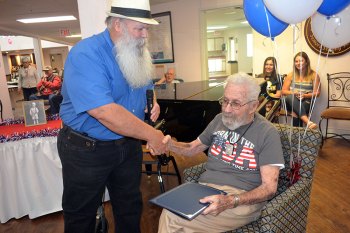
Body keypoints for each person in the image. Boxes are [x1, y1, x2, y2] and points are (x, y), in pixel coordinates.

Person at [57, 0, 166, 232]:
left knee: (130, 207)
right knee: (82, 215)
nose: (145, 34)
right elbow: (105, 112)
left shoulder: (135, 50)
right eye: (140, 28)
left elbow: (145, 83)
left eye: (146, 28)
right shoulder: (86, 54)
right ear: (118, 24)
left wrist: (152, 98)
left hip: (127, 145)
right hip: (86, 149)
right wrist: (152, 135)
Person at [158, 73, 285, 233]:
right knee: (174, 214)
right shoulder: (219, 120)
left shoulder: (267, 132)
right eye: (225, 101)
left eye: (235, 103)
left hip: (242, 199)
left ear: (253, 106)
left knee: (171, 216)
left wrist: (230, 201)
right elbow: (193, 148)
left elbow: (269, 188)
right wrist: (170, 145)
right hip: (205, 190)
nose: (227, 109)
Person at [281, 52, 321, 129]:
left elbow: (317, 93)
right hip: (289, 102)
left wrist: (304, 95)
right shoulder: (290, 75)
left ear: (306, 62)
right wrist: (294, 93)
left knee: (296, 113)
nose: (298, 63)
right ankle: (307, 121)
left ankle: (296, 139)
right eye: (296, 61)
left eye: (301, 61)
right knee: (291, 96)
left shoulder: (314, 75)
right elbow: (283, 91)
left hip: (305, 101)